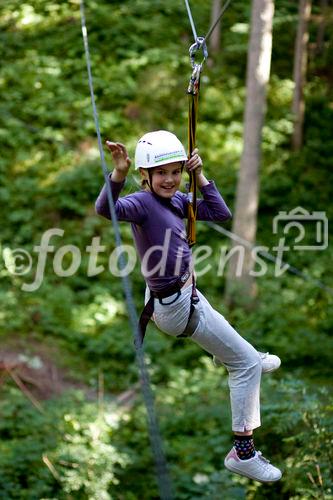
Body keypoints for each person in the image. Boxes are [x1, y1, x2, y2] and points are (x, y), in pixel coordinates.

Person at [95, 130, 282, 483]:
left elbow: (220, 212)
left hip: (186, 294)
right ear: (145, 176)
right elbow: (107, 209)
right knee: (245, 366)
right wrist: (117, 173)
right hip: (176, 306)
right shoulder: (141, 203)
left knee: (235, 345)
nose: (169, 180)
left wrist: (199, 176)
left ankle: (241, 355)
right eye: (161, 173)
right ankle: (242, 453)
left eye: (175, 171)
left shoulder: (178, 200)